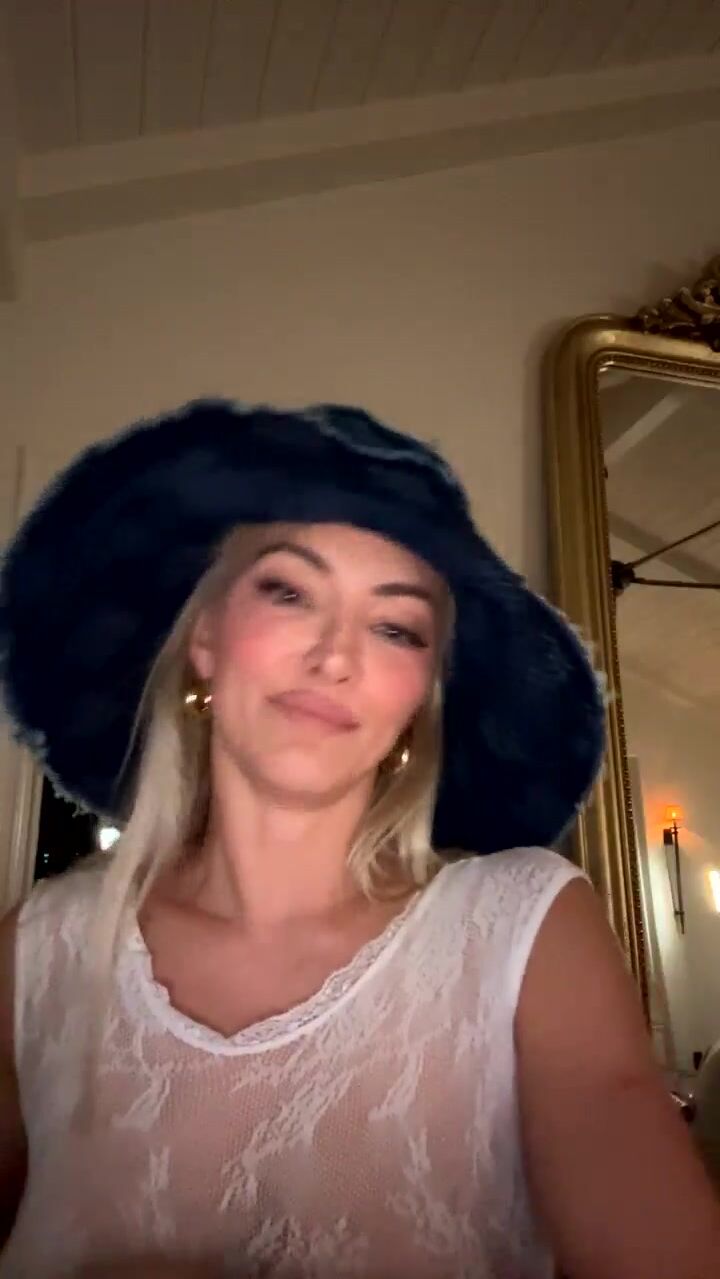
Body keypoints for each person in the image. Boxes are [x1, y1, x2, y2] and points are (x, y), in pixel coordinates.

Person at [0, 400, 718, 1279]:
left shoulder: (523, 933)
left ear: (419, 696)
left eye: (394, 627)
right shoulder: (39, 952)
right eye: (289, 591)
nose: (336, 656)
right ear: (205, 638)